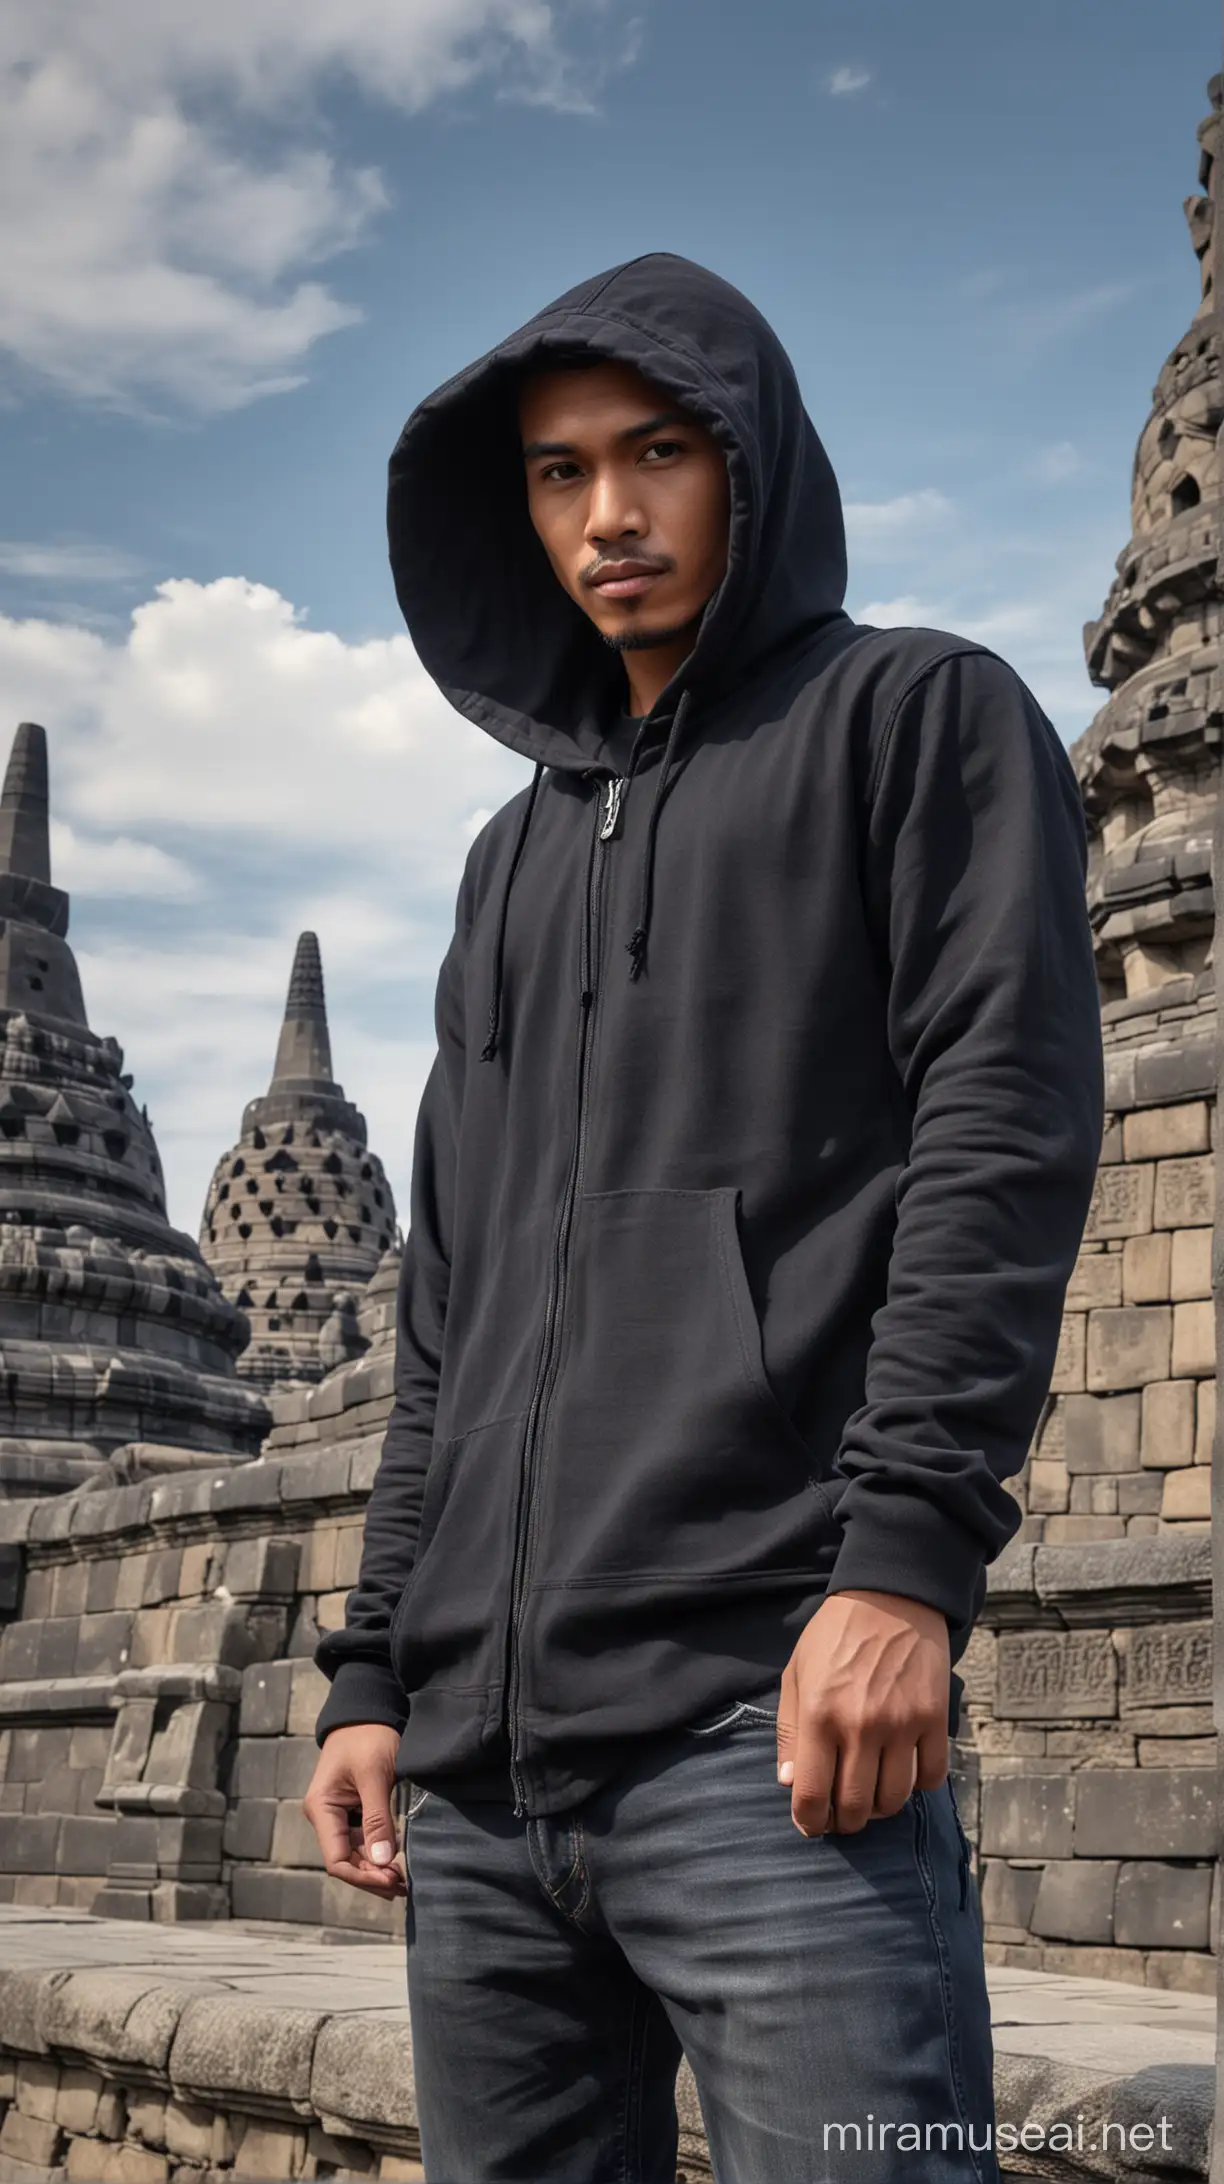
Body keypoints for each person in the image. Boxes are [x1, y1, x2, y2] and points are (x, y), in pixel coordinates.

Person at [305, 254, 1103, 2183]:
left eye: (657, 453)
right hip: (482, 1804)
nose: (608, 516)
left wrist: (904, 1564)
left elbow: (1002, 1137)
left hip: (774, 1752)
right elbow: (453, 1310)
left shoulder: (916, 721)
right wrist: (369, 1666)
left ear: (750, 463)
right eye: (558, 472)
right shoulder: (505, 867)